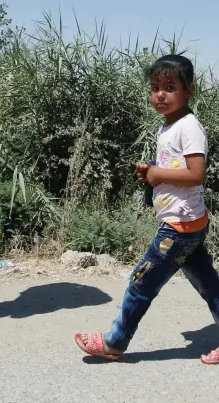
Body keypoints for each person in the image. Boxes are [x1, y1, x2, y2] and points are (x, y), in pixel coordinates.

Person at [75, 54, 219, 364]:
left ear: (189, 90)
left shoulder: (188, 127)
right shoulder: (169, 127)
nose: (160, 95)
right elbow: (176, 169)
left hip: (179, 227)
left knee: (142, 282)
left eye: (170, 87)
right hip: (188, 223)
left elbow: (196, 174)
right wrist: (153, 172)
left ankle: (114, 342)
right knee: (210, 285)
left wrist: (158, 175)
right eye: (155, 88)